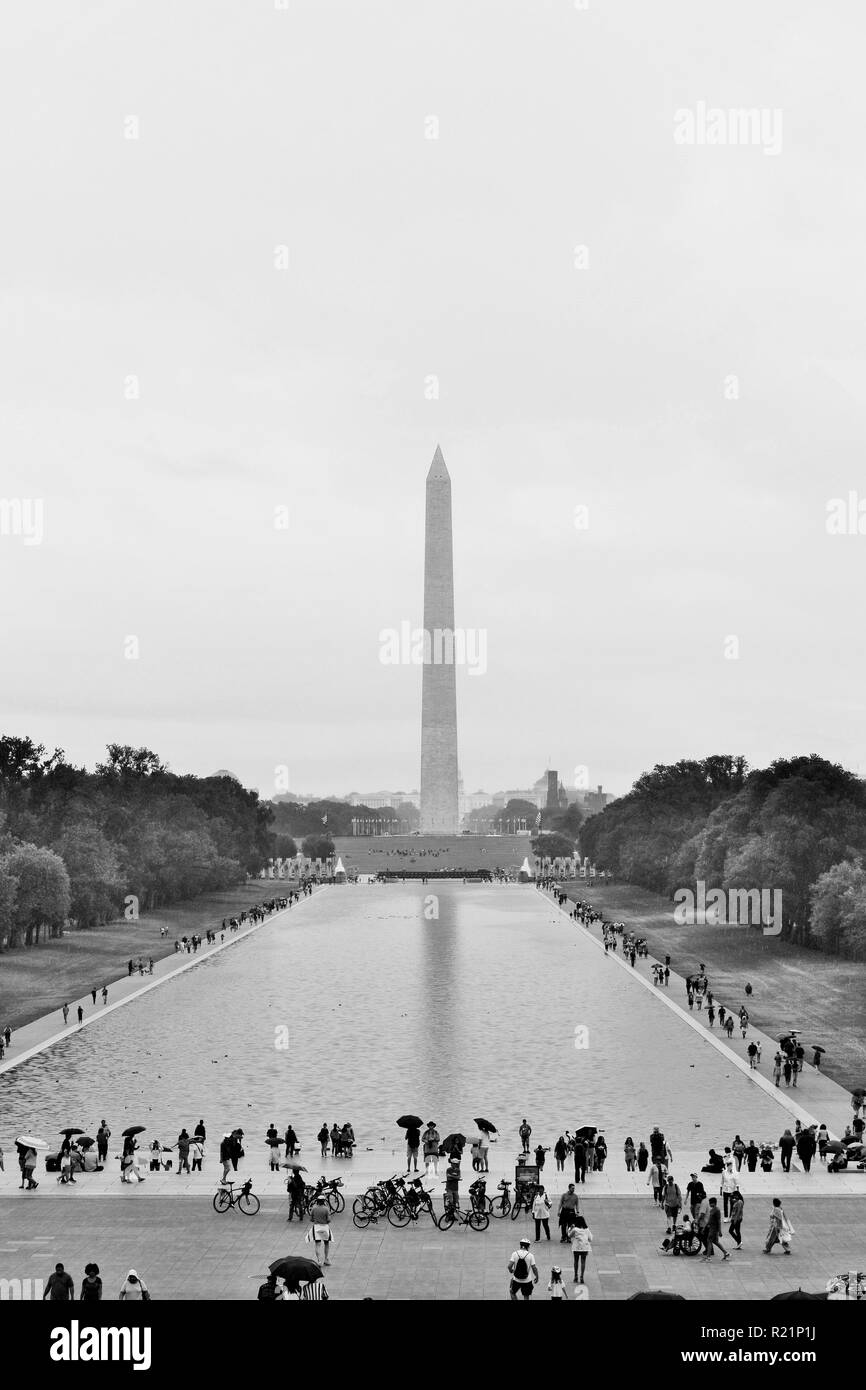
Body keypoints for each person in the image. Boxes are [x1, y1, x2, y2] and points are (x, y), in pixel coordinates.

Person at [308, 1195, 333, 1267]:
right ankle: (326, 1259)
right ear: (324, 1201)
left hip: (316, 1227)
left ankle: (319, 1260)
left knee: (317, 1244)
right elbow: (329, 1220)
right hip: (324, 1227)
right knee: (326, 1243)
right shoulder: (326, 1209)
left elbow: (311, 1219)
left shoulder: (314, 1208)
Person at [569, 1215, 593, 1284]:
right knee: (583, 1261)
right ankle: (582, 1276)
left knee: (576, 1261)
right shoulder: (587, 1230)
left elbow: (569, 1235)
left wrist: (570, 1229)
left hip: (576, 1247)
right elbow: (590, 1239)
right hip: (585, 1247)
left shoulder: (575, 1229)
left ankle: (575, 1276)